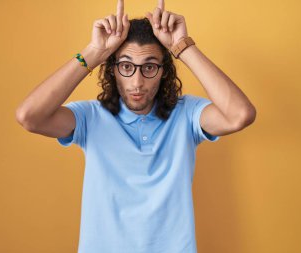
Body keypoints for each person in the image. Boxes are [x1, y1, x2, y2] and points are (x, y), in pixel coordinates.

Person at [16, 0, 256, 252]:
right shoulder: (90, 117)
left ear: (164, 71)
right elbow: (29, 116)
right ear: (113, 69)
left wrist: (182, 46)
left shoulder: (187, 114)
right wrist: (94, 51)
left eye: (149, 67)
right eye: (126, 66)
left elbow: (240, 115)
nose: (137, 82)